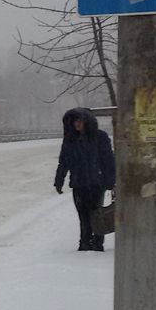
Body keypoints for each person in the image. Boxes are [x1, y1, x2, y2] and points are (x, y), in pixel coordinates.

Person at [54, 107, 116, 252]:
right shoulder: (70, 140)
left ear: (87, 122)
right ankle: (85, 242)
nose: (77, 124)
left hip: (96, 183)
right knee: (82, 214)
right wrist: (59, 180)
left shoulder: (100, 137)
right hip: (78, 183)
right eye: (75, 121)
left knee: (96, 214)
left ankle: (97, 243)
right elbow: (64, 161)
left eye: (80, 121)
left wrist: (110, 180)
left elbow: (108, 160)